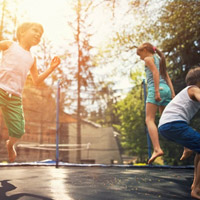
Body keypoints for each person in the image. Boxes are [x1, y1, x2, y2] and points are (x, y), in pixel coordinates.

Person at [0, 22, 61, 162]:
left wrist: (51, 69)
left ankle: (10, 145)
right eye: (35, 30)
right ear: (22, 32)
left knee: (18, 131)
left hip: (15, 97)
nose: (39, 34)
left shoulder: (32, 59)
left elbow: (36, 80)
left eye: (41, 34)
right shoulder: (10, 45)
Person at [158, 67, 200, 200]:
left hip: (166, 125)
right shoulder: (194, 89)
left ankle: (188, 148)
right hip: (174, 124)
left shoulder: (186, 92)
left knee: (199, 148)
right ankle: (196, 188)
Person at [137, 42, 175, 164]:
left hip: (156, 90)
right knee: (167, 121)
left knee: (149, 119)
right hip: (167, 91)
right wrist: (173, 94)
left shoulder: (149, 59)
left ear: (144, 50)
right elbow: (167, 77)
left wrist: (157, 91)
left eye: (139, 54)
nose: (140, 58)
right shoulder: (160, 59)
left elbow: (155, 73)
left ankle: (157, 148)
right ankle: (186, 145)